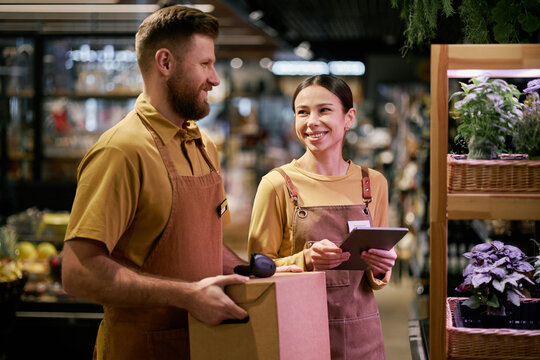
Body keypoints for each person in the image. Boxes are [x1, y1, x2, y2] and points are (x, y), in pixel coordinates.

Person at [61, 5, 251, 359]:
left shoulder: (203, 144)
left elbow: (206, 244)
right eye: (205, 64)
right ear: (165, 63)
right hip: (141, 349)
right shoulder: (122, 150)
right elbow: (78, 271)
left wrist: (252, 275)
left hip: (204, 346)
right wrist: (187, 296)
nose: (215, 79)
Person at [248, 74, 397, 360]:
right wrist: (305, 260)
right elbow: (257, 270)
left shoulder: (373, 183)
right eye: (302, 112)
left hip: (361, 335)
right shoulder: (277, 184)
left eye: (324, 110)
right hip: (296, 333)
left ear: (349, 117)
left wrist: (381, 267)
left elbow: (375, 275)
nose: (311, 122)